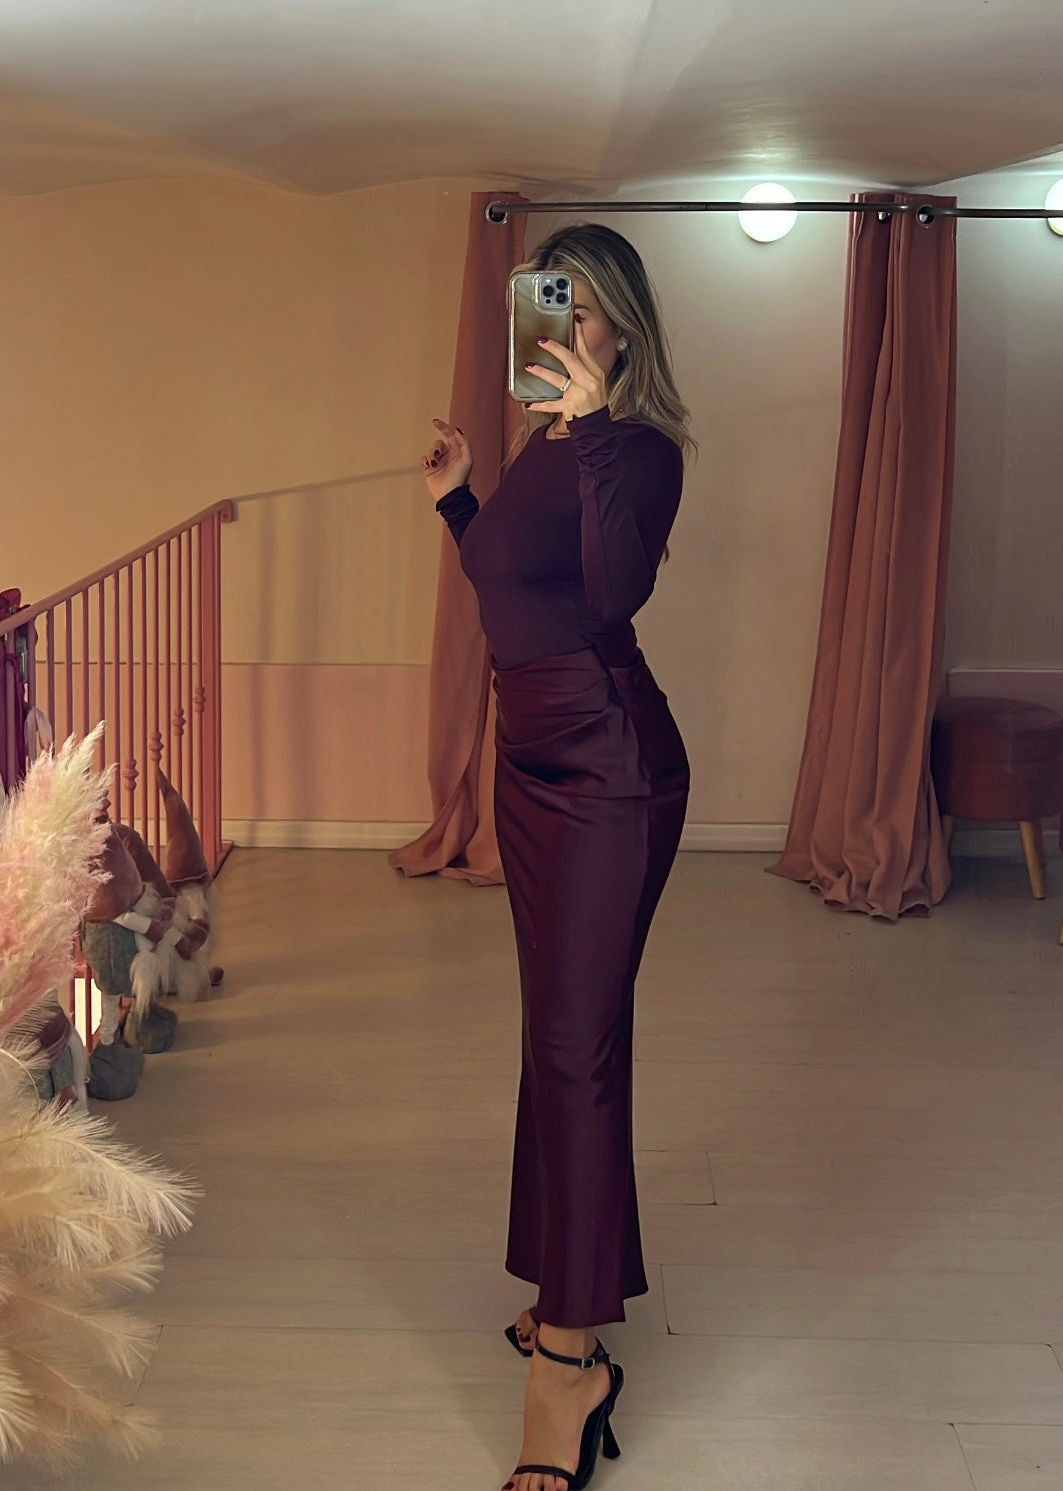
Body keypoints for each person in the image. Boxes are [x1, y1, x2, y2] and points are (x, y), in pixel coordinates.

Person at [421, 222, 693, 1491]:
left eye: (580, 310)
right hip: (530, 766)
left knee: (578, 1050)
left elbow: (614, 588)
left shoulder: (637, 451)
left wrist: (584, 434)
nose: (562, 331)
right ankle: (566, 1288)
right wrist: (459, 496)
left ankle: (571, 1364)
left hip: (608, 768)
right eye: (548, 306)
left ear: (622, 329)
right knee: (558, 1039)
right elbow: (505, 581)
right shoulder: (548, 445)